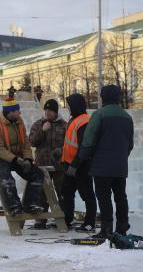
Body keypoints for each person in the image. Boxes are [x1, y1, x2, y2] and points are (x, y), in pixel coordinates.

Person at [79, 85, 134, 239]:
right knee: (120, 196)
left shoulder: (99, 114)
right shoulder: (127, 117)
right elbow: (130, 144)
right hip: (120, 165)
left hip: (102, 165)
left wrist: (84, 156)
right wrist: (121, 157)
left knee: (104, 196)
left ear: (103, 97)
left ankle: (107, 228)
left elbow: (89, 139)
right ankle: (122, 226)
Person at [0, 97, 45, 216]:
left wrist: (28, 159)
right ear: (9, 112)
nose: (19, 113)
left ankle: (30, 204)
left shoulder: (19, 123)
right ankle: (14, 207)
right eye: (17, 111)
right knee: (7, 180)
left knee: (37, 174)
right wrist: (15, 159)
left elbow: (25, 142)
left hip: (16, 157)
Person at [61, 94, 97, 231]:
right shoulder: (74, 120)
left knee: (87, 194)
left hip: (82, 165)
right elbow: (72, 143)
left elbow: (83, 146)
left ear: (76, 106)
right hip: (71, 164)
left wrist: (75, 165)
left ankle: (89, 222)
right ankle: (67, 218)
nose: (68, 108)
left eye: (70, 105)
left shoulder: (84, 121)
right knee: (66, 190)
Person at [29, 99, 67, 229]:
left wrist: (60, 151)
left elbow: (68, 144)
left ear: (56, 112)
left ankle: (63, 218)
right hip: (42, 165)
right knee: (42, 193)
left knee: (62, 191)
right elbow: (32, 142)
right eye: (46, 110)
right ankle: (41, 219)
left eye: (50, 110)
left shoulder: (64, 125)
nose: (47, 112)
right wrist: (43, 131)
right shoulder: (38, 124)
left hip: (59, 165)